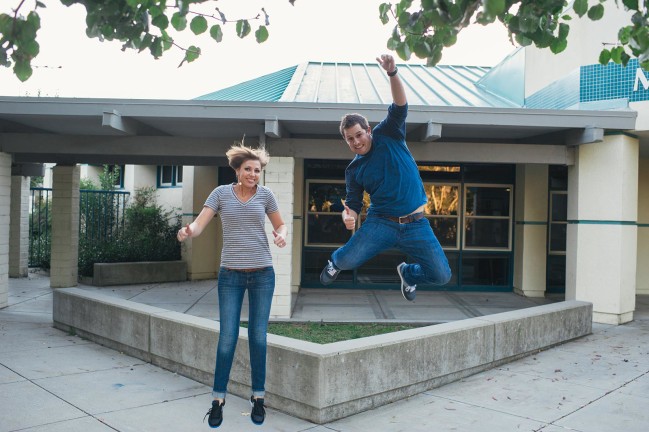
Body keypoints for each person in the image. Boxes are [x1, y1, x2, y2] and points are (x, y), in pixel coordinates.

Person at [320, 54, 451, 301]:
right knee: (347, 260)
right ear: (345, 141)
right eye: (350, 139)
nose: (356, 141)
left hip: (416, 223)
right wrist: (348, 216)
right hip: (382, 223)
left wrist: (392, 73)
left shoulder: (388, 133)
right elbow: (354, 205)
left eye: (359, 134)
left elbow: (401, 105)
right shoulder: (354, 170)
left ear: (368, 130)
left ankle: (409, 274)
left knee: (442, 275)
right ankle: (334, 263)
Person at [177, 143, 287, 428]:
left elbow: (281, 224)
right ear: (237, 170)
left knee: (258, 336)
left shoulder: (266, 195)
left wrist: (280, 235)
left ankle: (258, 397)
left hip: (263, 273)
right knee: (227, 337)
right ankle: (218, 400)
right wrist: (189, 231)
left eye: (257, 170)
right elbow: (200, 224)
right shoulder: (220, 194)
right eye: (248, 169)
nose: (253, 174)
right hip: (231, 276)